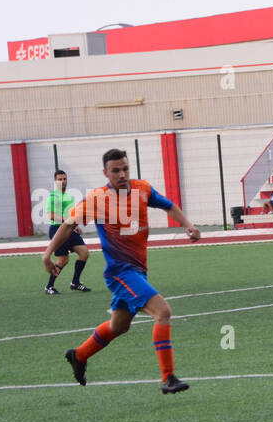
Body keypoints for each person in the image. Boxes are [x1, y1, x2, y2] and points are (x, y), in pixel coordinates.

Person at [44, 148, 200, 394]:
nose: (122, 174)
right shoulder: (97, 198)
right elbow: (67, 225)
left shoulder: (143, 189)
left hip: (138, 271)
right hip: (120, 272)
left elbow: (169, 206)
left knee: (119, 326)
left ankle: (79, 355)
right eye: (115, 170)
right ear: (105, 173)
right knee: (163, 311)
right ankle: (168, 377)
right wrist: (47, 253)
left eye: (125, 168)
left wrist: (189, 225)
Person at [43, 170, 92, 294]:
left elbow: (71, 215)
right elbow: (51, 216)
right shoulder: (53, 197)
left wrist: (75, 227)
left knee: (84, 253)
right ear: (55, 181)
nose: (63, 181)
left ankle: (75, 282)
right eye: (59, 179)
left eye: (64, 179)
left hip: (70, 229)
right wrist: (68, 221)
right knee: (63, 260)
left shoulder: (69, 196)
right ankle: (49, 286)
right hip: (57, 230)